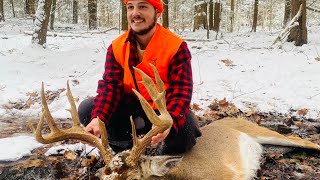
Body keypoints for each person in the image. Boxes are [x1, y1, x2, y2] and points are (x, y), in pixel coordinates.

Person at [78, 0, 201, 154]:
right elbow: (110, 87)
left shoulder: (175, 47)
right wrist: (99, 119)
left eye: (142, 6)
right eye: (130, 7)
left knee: (186, 131)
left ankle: (160, 155)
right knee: (88, 110)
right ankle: (124, 150)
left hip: (162, 111)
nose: (135, 13)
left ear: (158, 13)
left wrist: (168, 121)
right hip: (129, 108)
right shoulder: (117, 47)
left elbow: (181, 91)